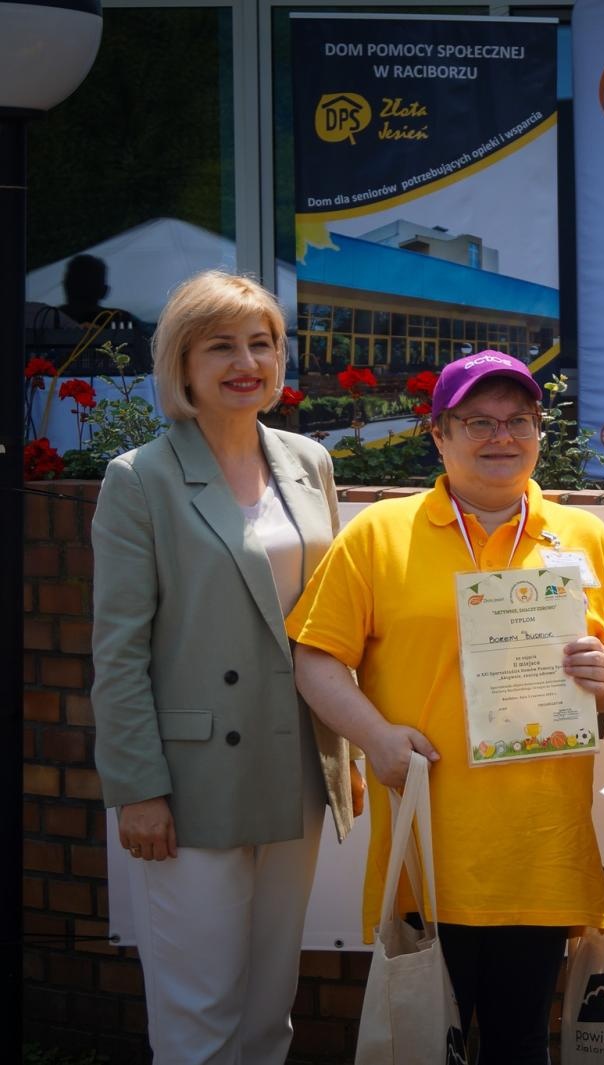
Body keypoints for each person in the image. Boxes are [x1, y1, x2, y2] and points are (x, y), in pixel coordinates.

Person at [288, 350, 604, 1064]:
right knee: (422, 1047)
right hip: (427, 848)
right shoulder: (378, 535)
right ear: (440, 435)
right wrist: (375, 736)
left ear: (540, 432)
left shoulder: (585, 539)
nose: (500, 436)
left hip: (538, 853)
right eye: (478, 420)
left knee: (519, 1044)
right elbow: (315, 657)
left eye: (518, 420)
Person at [90, 270, 355, 1063]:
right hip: (192, 779)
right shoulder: (140, 477)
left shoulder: (309, 460)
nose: (247, 361)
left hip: (295, 766)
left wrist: (351, 739)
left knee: (269, 1008)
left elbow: (333, 622)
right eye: (222, 346)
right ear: (182, 363)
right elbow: (119, 649)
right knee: (198, 1013)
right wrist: (137, 787)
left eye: (262, 343)